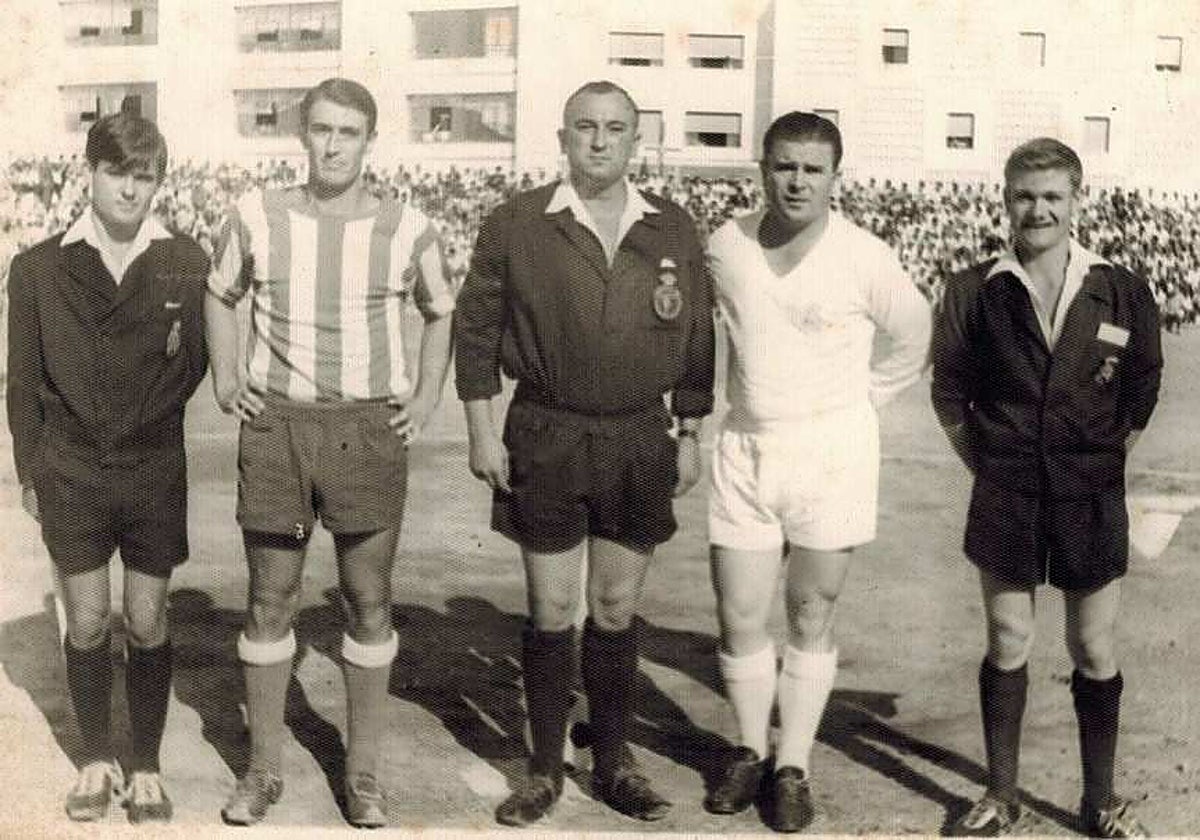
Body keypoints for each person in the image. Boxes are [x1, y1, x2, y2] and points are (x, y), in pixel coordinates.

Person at [454, 79, 715, 827]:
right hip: (546, 430)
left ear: (637, 140)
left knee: (613, 605)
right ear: (562, 137)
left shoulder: (672, 229)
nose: (599, 141)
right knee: (552, 606)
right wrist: (479, 429)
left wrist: (690, 431)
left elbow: (698, 339)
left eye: (614, 129)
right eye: (584, 127)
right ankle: (541, 769)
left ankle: (614, 760)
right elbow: (476, 331)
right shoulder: (518, 222)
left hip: (639, 435)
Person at [205, 77, 454, 828]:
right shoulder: (256, 214)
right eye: (322, 130)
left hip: (367, 429)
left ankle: (365, 774)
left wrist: (425, 395)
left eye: (348, 131)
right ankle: (263, 770)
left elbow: (441, 309)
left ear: (370, 140)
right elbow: (220, 294)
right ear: (303, 135)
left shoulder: (410, 227)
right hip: (277, 427)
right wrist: (225, 377)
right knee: (268, 600)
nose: (334, 144)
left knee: (368, 602)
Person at [702, 111, 931, 832]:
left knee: (810, 613)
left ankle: (793, 762)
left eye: (812, 168)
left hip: (832, 451)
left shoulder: (864, 255)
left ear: (837, 176)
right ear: (761, 168)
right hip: (745, 445)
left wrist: (865, 399)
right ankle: (747, 749)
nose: (796, 180)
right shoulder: (726, 246)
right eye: (783, 166)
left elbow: (914, 334)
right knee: (739, 613)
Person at [931, 138, 1162, 838]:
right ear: (1004, 200)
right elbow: (949, 395)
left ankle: (1100, 802)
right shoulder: (974, 289)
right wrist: (992, 464)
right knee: (1008, 638)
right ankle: (1001, 796)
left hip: (1090, 494)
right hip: (1006, 490)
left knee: (1094, 647)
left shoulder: (1122, 288)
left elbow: (1142, 390)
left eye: (1052, 197)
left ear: (1077, 200)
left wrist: (1093, 459)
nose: (1038, 210)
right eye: (1024, 196)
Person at [5, 113, 209, 823]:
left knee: (148, 620)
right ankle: (96, 758)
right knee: (88, 622)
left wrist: (145, 419)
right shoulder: (36, 267)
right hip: (71, 471)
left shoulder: (185, 259)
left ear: (159, 182)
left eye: (145, 175)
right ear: (88, 173)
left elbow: (196, 363)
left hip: (153, 467)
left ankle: (145, 765)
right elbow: (21, 381)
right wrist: (34, 474)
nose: (131, 189)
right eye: (118, 172)